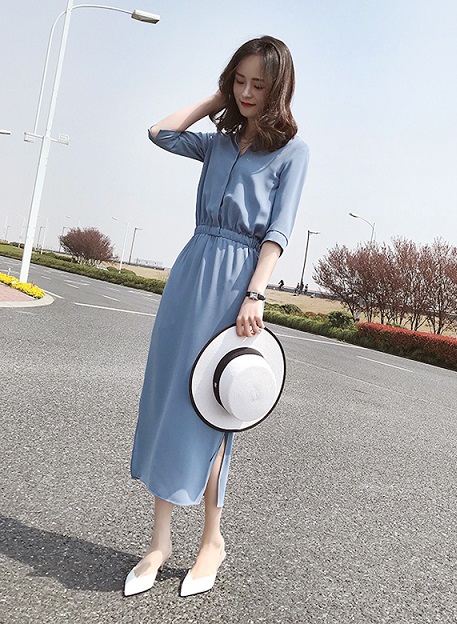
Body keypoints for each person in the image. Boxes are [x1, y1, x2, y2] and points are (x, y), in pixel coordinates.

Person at [125, 36, 309, 598]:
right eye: (239, 81)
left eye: (259, 85)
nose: (248, 93)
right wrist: (215, 100)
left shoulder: (293, 152)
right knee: (168, 397)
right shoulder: (217, 143)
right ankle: (159, 542)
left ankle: (212, 540)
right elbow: (159, 132)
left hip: (236, 285)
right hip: (190, 275)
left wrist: (256, 293)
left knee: (214, 409)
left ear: (278, 89)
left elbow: (278, 230)